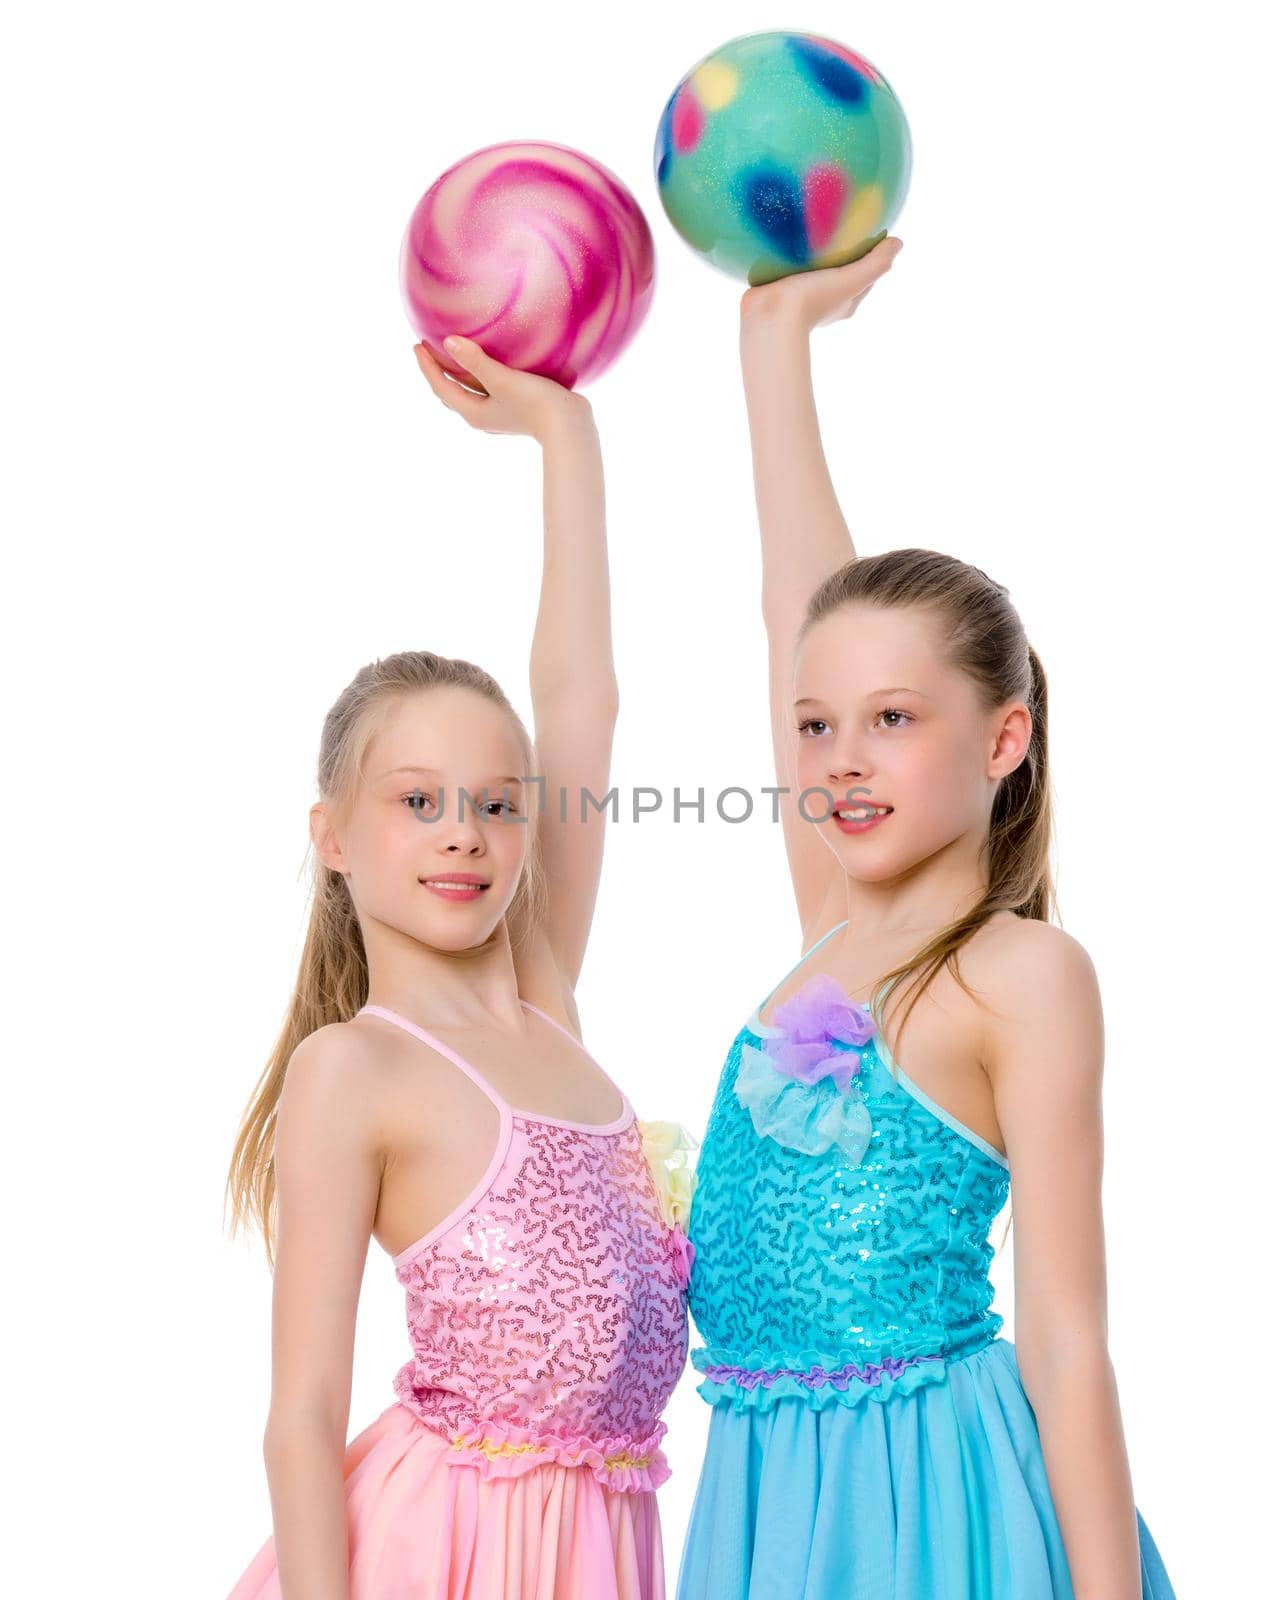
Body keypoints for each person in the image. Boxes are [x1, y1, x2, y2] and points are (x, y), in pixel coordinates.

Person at [675, 239, 1178, 1599]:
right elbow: (800, 607)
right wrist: (772, 342)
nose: (844, 758)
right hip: (769, 1502)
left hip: (929, 1502)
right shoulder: (828, 925)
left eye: (895, 722)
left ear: (1003, 735)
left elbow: (1070, 1341)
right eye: (818, 726)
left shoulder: (1021, 974)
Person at [223, 335, 695, 1600]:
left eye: (494, 803)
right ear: (333, 837)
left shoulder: (547, 993)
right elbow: (302, 1411)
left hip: (599, 1553)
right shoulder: (354, 1069)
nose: (461, 833)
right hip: (446, 1559)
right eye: (417, 800)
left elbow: (581, 696)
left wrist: (564, 440)